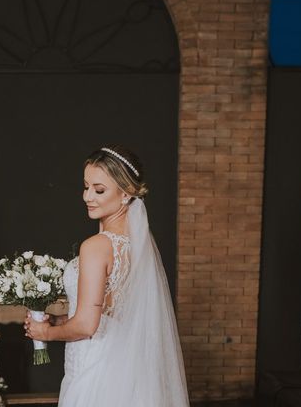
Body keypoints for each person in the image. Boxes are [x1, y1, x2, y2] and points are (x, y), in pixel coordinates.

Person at [23, 145, 190, 406]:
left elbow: (87, 325)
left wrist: (46, 334)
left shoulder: (96, 246)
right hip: (129, 367)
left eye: (99, 190)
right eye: (86, 186)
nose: (88, 196)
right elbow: (110, 310)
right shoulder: (139, 244)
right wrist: (58, 320)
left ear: (126, 194)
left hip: (96, 368)